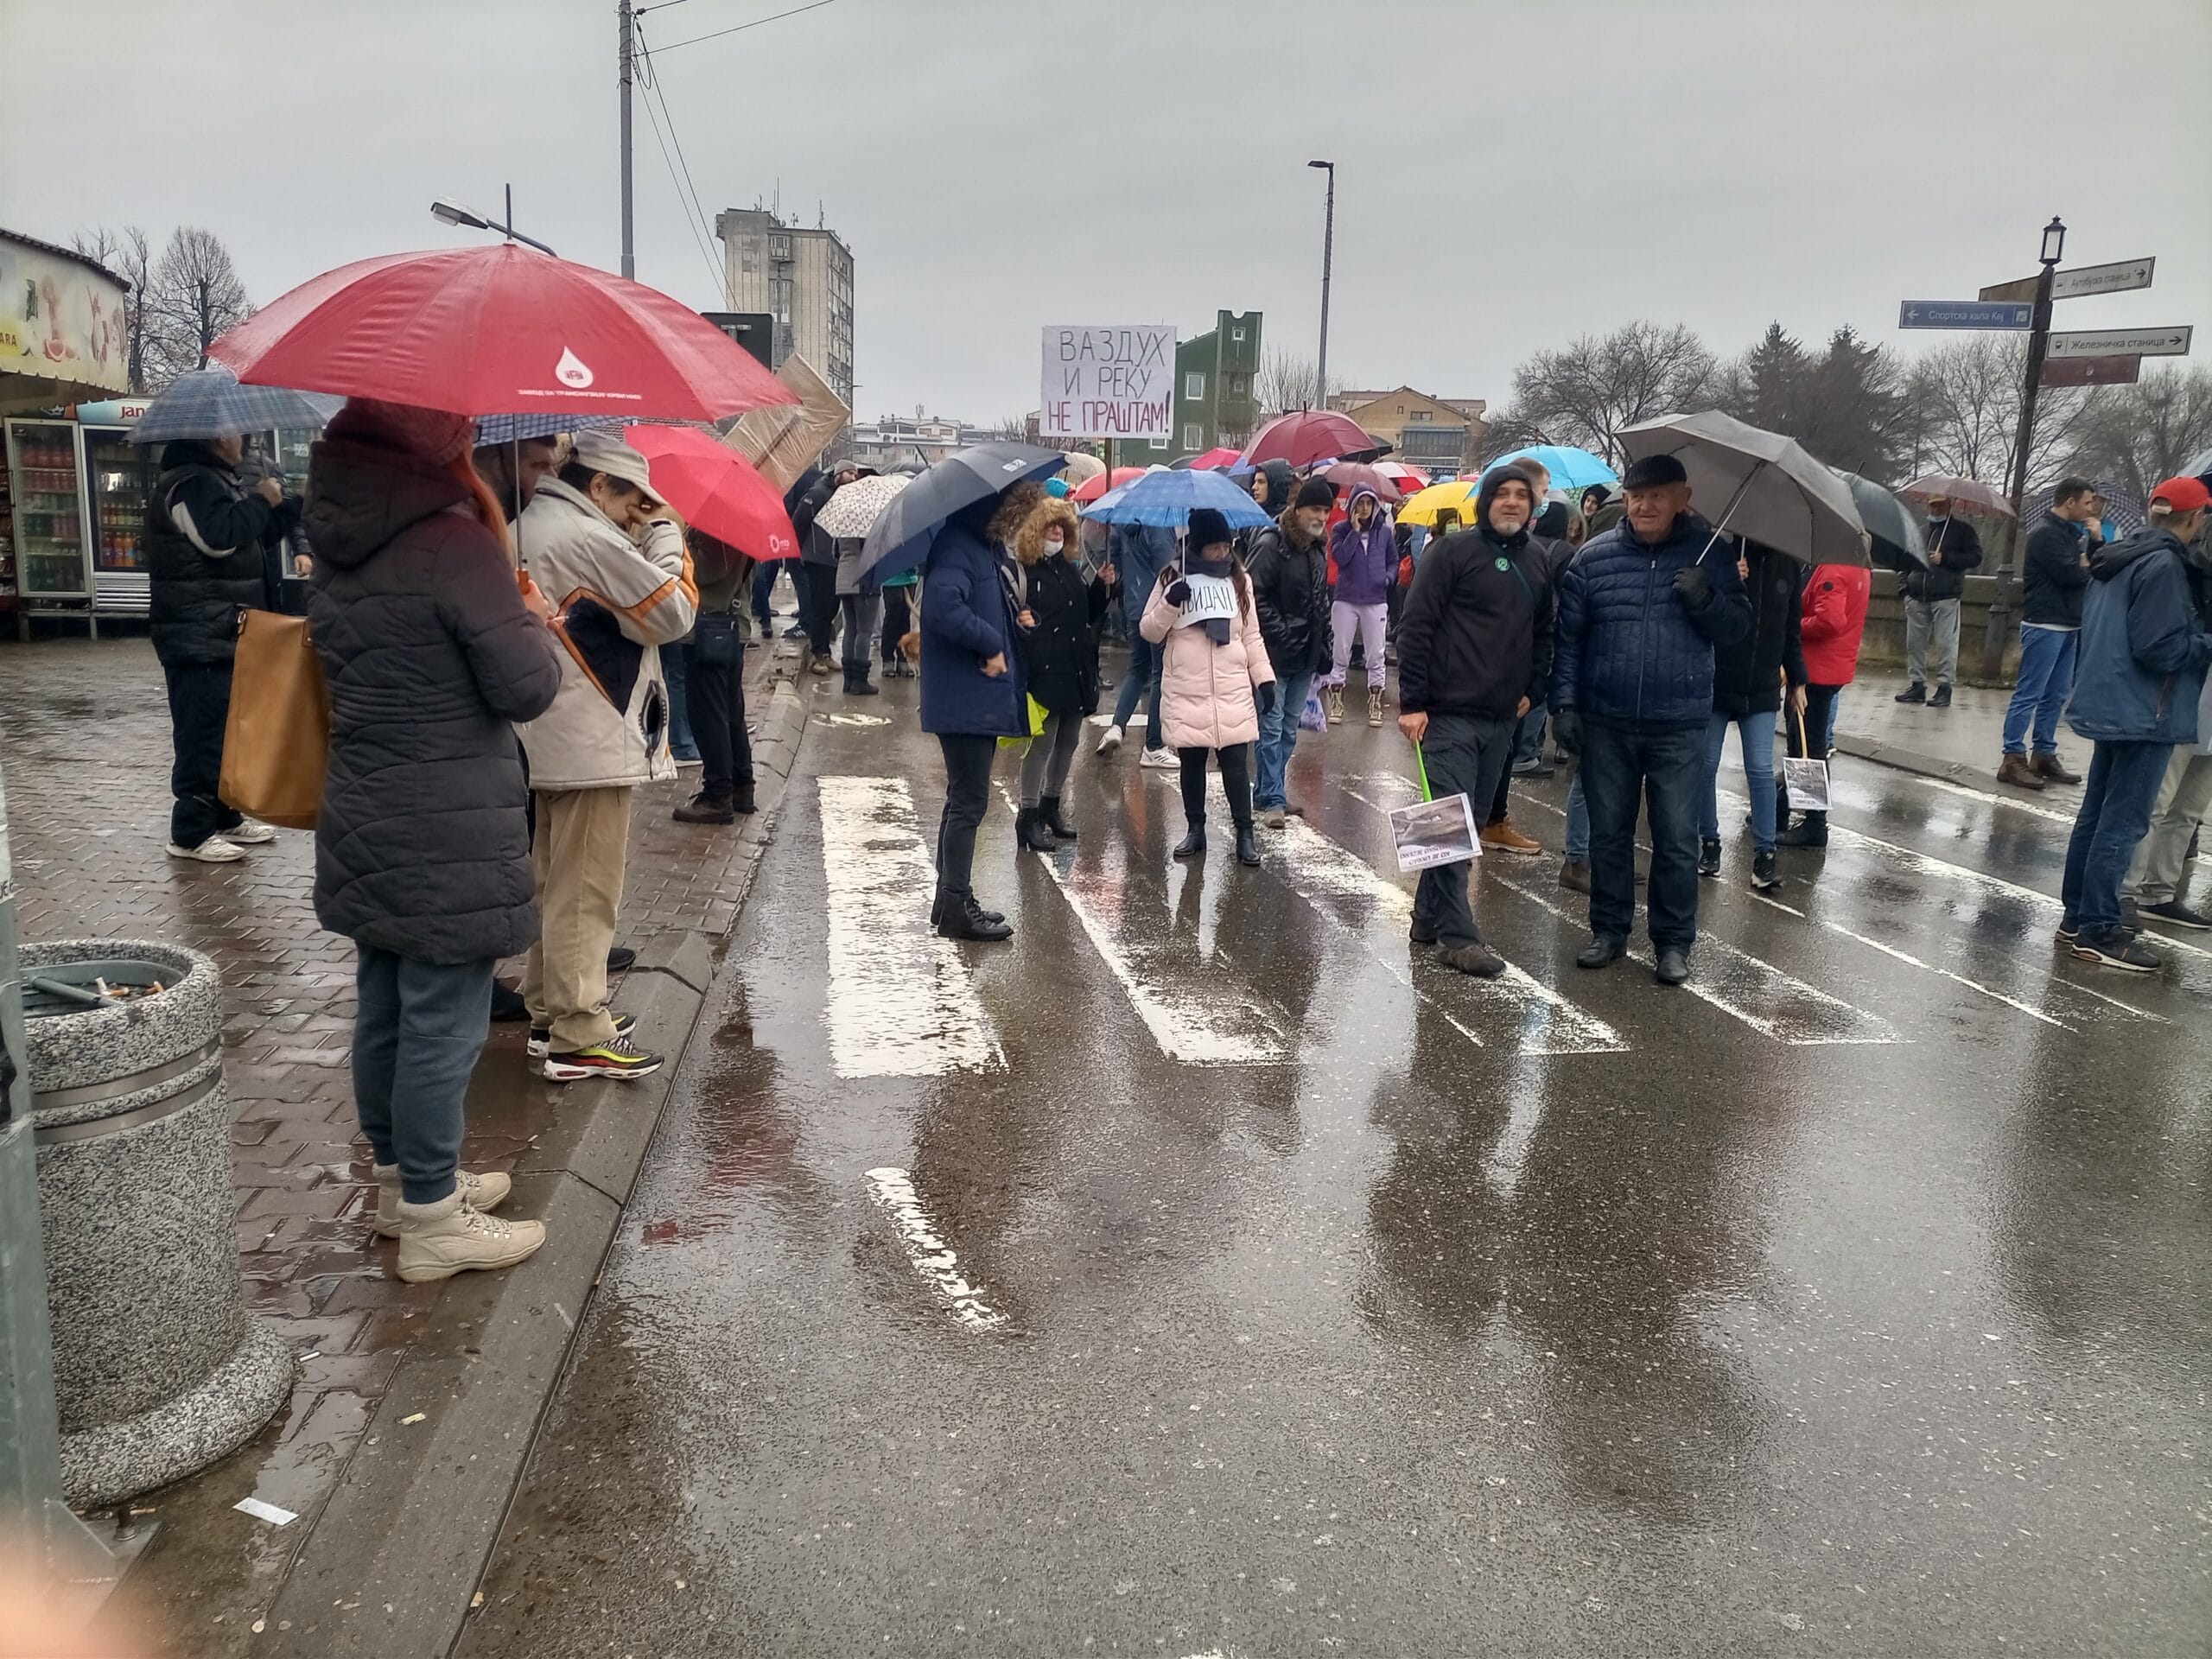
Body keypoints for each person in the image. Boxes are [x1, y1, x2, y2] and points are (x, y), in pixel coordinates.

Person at [306, 397, 563, 1281]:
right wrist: (530, 619)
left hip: (368, 803)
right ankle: (429, 1217)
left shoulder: (344, 541)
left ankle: (398, 1180)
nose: (467, 434)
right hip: (448, 814)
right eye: (454, 424)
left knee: (385, 1000)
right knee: (443, 1021)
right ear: (426, 443)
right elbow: (527, 687)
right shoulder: (452, 544)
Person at [515, 429, 695, 1079]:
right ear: (599, 485)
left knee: (555, 878)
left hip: (551, 726)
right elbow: (672, 612)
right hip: (592, 728)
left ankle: (548, 1011)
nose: (636, 514)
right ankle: (578, 1027)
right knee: (587, 886)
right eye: (632, 501)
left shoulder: (532, 522)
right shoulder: (584, 535)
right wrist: (668, 536)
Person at [1551, 453, 1751, 985]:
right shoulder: (1592, 559)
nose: (1644, 505)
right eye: (1637, 496)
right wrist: (1564, 704)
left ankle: (1672, 942)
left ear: (1682, 500)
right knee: (1609, 835)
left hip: (1678, 721)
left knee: (1678, 837)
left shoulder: (1711, 557)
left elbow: (1736, 630)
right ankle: (1609, 930)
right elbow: (1568, 640)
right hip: (1606, 719)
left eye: (1657, 496)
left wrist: (1705, 598)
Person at [1394, 464, 1554, 978]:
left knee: (1465, 825)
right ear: (1484, 502)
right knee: (1451, 826)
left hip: (1502, 717)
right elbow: (1415, 626)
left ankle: (1425, 918)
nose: (1511, 503)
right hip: (1447, 714)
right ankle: (1458, 937)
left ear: (1532, 506)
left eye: (1520, 496)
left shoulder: (1538, 561)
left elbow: (1545, 632)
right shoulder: (1451, 552)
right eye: (1501, 494)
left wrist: (1534, 691)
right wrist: (1412, 702)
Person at [2059, 477, 2212, 969]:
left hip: (2113, 700)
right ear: (2195, 518)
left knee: (2097, 815)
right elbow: (2160, 647)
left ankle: (2077, 916)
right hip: (2150, 708)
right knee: (2122, 823)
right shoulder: (2166, 565)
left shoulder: (2119, 556)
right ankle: (2100, 928)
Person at [145, 429, 301, 861]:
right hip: (198, 634)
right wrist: (259, 501)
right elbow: (218, 538)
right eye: (236, 435)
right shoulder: (189, 483)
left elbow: (251, 538)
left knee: (228, 730)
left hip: (224, 630)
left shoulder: (216, 479)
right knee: (203, 733)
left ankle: (225, 815)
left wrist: (286, 508)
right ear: (214, 439)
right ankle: (190, 832)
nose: (243, 442)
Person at [921, 485, 1033, 942]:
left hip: (970, 698)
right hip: (965, 700)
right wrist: (989, 643)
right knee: (969, 802)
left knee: (961, 799)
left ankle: (948, 900)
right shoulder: (958, 547)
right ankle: (955, 905)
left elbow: (981, 605)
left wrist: (1017, 620)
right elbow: (943, 607)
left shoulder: (977, 547)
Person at [1141, 507, 1276, 866]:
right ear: (1197, 546)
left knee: (1235, 764)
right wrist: (1171, 603)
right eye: (1213, 547)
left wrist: (1264, 678)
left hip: (1231, 688)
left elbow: (1251, 634)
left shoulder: (1238, 578)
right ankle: (1195, 829)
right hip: (1188, 687)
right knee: (1192, 764)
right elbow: (1149, 630)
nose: (1221, 553)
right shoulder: (1172, 575)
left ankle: (1244, 834)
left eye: (1225, 546)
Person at [1699, 538, 1803, 890]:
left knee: (1759, 769)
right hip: (1719, 680)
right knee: (1706, 764)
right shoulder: (1723, 554)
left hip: (1761, 685)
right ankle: (1709, 842)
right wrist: (1722, 583)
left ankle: (1765, 854)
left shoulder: (1787, 564)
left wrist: (1798, 679)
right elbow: (1700, 612)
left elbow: (1792, 628)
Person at [1011, 494, 1109, 849]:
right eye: (1051, 526)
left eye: (1062, 527)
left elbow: (1085, 613)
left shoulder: (1069, 568)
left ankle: (1052, 806)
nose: (1056, 532)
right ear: (1036, 530)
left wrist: (1102, 586)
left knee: (1069, 741)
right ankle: (1028, 814)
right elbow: (1013, 618)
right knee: (1043, 743)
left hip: (1075, 667)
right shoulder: (1025, 571)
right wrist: (1022, 622)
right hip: (1044, 669)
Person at [1998, 479, 2100, 789]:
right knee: (2029, 694)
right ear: (2069, 502)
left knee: (2056, 695)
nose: (2091, 507)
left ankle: (2043, 754)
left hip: (2069, 623)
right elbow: (2072, 576)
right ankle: (2012, 757)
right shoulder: (2046, 534)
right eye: (2087, 502)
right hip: (2045, 623)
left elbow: (2095, 566)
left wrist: (2094, 541)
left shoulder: (2071, 533)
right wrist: (2083, 563)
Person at [1244, 476, 1335, 827]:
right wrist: (1281, 634)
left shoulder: (1316, 547)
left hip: (1305, 656)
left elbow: (1321, 602)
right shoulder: (1272, 543)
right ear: (1297, 509)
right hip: (1274, 656)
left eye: (1326, 510)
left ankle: (1270, 791)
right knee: (1271, 727)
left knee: (1288, 729)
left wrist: (1324, 643)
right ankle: (1273, 799)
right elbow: (1254, 595)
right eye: (1316, 508)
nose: (1322, 516)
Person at [1777, 560, 1872, 850]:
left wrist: (1792, 624)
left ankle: (1815, 824)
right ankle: (1783, 808)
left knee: (1807, 749)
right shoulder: (1858, 567)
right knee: (1803, 743)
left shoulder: (1834, 569)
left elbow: (1830, 620)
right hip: (1830, 666)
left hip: (1817, 668)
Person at [673, 527, 758, 824]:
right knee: (731, 713)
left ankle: (717, 794)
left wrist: (683, 544)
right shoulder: (743, 526)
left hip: (708, 628)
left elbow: (708, 570)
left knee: (710, 715)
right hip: (729, 626)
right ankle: (741, 786)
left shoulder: (717, 530)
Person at [1096, 518, 1176, 766]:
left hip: (1133, 605)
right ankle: (1153, 745)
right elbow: (1167, 567)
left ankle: (1117, 726)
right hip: (1156, 607)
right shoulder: (1159, 523)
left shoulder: (1125, 522)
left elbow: (1115, 563)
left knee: (1137, 669)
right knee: (1160, 673)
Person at [1896, 494, 1982, 707]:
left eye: (1939, 505)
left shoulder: (1963, 531)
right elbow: (1905, 561)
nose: (1935, 509)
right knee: (1914, 644)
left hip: (1946, 595)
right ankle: (1917, 685)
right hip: (1917, 595)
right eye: (1932, 505)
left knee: (1946, 644)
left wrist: (1946, 559)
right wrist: (1904, 589)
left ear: (1949, 505)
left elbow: (1975, 558)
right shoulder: (1922, 531)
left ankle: (1945, 687)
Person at [1324, 485, 1395, 727]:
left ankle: (1375, 702)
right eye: (1360, 503)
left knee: (1375, 653)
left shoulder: (1384, 533)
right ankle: (1337, 700)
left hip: (1375, 599)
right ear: (1352, 505)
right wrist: (1354, 532)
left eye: (1369, 503)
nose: (1364, 508)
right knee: (1340, 652)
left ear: (1375, 505)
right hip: (1346, 597)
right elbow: (1340, 558)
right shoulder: (1340, 529)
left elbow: (1393, 561)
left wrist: (1387, 578)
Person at [793, 462, 855, 675]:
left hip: (835, 559)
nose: (853, 477)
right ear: (838, 474)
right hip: (818, 558)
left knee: (831, 607)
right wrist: (803, 551)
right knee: (821, 607)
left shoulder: (844, 496)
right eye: (850, 472)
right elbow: (799, 521)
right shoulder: (819, 493)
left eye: (855, 474)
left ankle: (825, 652)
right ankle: (817, 654)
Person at [834, 526, 882, 696]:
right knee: (864, 631)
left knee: (851, 629)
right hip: (864, 580)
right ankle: (860, 681)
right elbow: (874, 550)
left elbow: (835, 552)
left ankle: (848, 681)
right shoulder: (869, 524)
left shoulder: (844, 524)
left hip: (843, 580)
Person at [880, 567, 918, 677]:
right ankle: (888, 659)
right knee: (891, 620)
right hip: (891, 580)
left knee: (905, 620)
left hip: (910, 579)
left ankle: (903, 658)